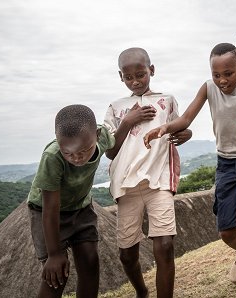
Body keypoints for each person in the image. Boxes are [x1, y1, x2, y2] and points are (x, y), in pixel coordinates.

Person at [143, 42, 236, 284]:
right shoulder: (208, 88)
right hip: (226, 163)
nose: (222, 80)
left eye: (228, 74)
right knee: (226, 231)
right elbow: (186, 118)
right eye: (216, 75)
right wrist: (164, 127)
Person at [104, 47, 188, 298]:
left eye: (140, 74)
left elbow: (180, 127)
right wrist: (129, 121)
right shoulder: (116, 108)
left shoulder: (167, 100)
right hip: (126, 187)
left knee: (164, 246)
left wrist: (187, 134)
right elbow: (110, 151)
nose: (135, 81)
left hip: (158, 182)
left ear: (151, 70)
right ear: (121, 77)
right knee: (127, 255)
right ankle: (142, 291)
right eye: (128, 77)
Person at [27, 104, 115, 298]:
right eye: (68, 152)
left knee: (90, 262)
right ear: (59, 143)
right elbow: (51, 208)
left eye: (84, 150)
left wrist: (129, 121)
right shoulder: (52, 157)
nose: (77, 158)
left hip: (81, 208)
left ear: (97, 135)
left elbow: (114, 145)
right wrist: (54, 254)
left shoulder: (103, 136)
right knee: (57, 275)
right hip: (47, 213)